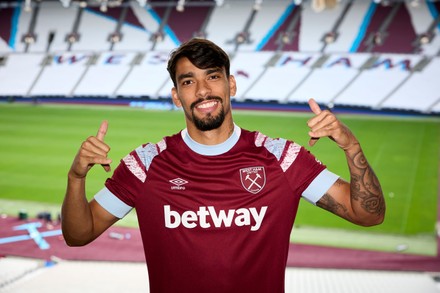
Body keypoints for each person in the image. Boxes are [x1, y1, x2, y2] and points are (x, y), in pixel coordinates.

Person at [62, 38, 385, 293]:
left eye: (212, 77)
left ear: (231, 85)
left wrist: (350, 146)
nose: (203, 90)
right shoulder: (144, 164)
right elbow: (78, 234)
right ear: (176, 96)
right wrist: (76, 176)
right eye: (189, 82)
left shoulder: (282, 158)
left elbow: (368, 214)